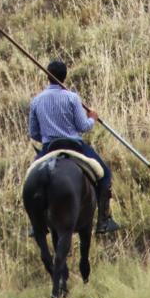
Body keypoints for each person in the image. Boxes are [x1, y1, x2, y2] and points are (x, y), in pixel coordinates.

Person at [29, 59, 121, 234]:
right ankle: (103, 221)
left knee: (31, 180)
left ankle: (36, 224)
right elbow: (83, 127)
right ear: (65, 76)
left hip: (49, 147)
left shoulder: (36, 101)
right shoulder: (72, 97)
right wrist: (92, 117)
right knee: (105, 174)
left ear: (47, 76)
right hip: (74, 146)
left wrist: (48, 134)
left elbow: (33, 133)